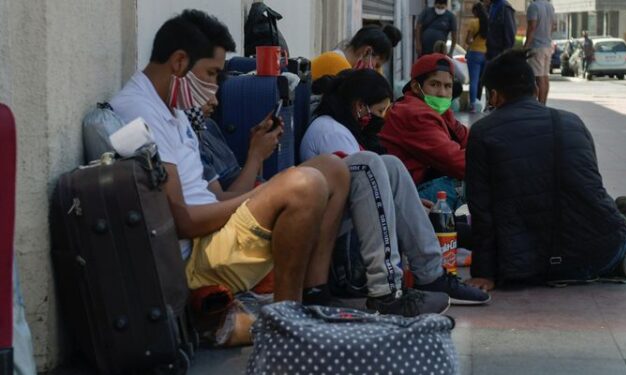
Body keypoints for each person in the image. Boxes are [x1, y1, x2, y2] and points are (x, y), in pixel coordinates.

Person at [110, 10, 350, 304]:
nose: (215, 86)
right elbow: (183, 221)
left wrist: (256, 156)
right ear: (179, 62)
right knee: (305, 183)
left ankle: (315, 292)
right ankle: (287, 316)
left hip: (216, 230)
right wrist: (266, 193)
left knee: (333, 168)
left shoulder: (173, 109)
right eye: (211, 73)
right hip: (199, 254)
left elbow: (218, 199)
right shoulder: (141, 112)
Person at [300, 69, 490, 316]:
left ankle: (431, 274)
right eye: (379, 112)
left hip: (342, 212)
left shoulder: (343, 129)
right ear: (359, 107)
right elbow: (357, 183)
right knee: (371, 163)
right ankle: (385, 290)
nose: (382, 119)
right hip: (326, 215)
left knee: (390, 164)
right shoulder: (330, 131)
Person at [464, 50, 626, 292]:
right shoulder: (571, 122)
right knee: (625, 233)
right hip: (597, 254)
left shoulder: (482, 133)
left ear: (493, 96)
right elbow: (590, 188)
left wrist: (484, 273)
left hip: (523, 269)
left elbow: (482, 211)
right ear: (535, 89)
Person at [380, 54, 468, 209]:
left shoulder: (440, 112)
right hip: (410, 194)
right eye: (434, 84)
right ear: (415, 87)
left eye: (448, 86)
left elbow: (467, 137)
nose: (442, 93)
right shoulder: (414, 113)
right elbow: (455, 161)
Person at [311, 25, 394, 82]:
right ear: (367, 51)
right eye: (376, 66)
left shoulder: (340, 60)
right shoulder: (337, 62)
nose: (375, 70)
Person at [524, 0, 556, 104]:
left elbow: (532, 27)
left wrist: (526, 46)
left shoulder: (533, 6)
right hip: (547, 45)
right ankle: (543, 104)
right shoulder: (550, 6)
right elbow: (553, 26)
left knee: (538, 78)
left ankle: (540, 106)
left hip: (536, 47)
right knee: (545, 77)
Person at [465, 2, 489, 113]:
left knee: (473, 81)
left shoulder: (473, 22)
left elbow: (468, 40)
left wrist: (471, 41)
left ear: (475, 11)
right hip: (486, 54)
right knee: (485, 80)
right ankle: (489, 104)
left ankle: (473, 105)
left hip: (474, 54)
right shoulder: (489, 22)